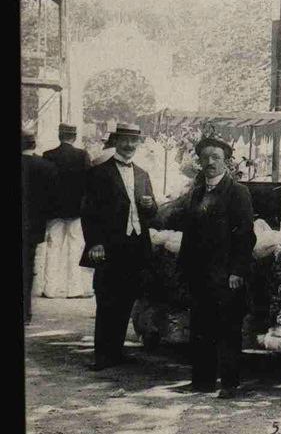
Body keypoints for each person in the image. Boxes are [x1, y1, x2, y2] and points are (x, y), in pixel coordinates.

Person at [168, 136, 256, 398]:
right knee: (200, 327)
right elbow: (189, 233)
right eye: (205, 158)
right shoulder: (196, 193)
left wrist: (238, 271)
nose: (210, 162)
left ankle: (230, 384)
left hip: (227, 275)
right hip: (200, 274)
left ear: (226, 161)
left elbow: (245, 234)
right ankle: (202, 382)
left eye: (215, 157)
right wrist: (184, 268)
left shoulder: (237, 192)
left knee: (228, 329)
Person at [80, 122, 158, 370]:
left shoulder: (143, 174)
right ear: (116, 141)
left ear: (138, 144)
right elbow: (88, 212)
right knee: (106, 299)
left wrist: (150, 206)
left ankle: (116, 351)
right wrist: (95, 243)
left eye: (133, 141)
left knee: (126, 298)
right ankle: (102, 356)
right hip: (109, 245)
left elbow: (152, 213)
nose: (129, 145)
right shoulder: (98, 173)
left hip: (135, 244)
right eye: (124, 140)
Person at [41, 124, 94, 298]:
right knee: (75, 248)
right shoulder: (82, 156)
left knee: (53, 247)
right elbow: (89, 183)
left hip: (53, 210)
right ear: (74, 136)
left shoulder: (48, 156)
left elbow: (45, 185)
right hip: (76, 210)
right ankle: (74, 289)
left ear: (59, 135)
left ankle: (49, 289)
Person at [22, 129, 59, 325]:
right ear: (33, 144)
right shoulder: (46, 167)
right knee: (27, 268)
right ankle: (25, 313)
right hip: (34, 226)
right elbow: (53, 200)